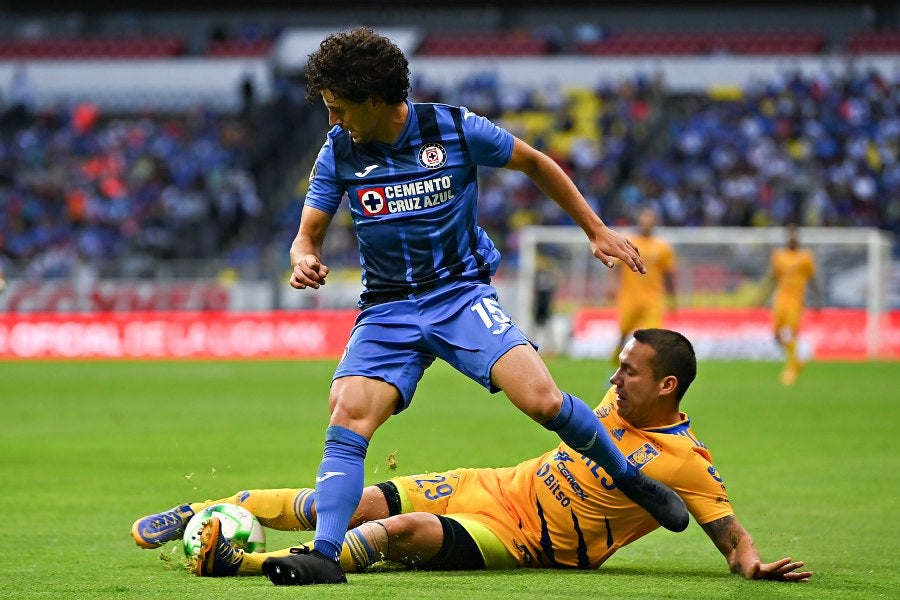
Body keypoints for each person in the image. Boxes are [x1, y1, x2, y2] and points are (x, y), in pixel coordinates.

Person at [130, 27, 689, 585]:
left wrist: (595, 230)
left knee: (543, 401)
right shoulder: (339, 152)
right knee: (347, 414)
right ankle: (326, 555)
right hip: (388, 308)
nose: (333, 121)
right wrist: (303, 257)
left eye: (338, 108)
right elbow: (308, 235)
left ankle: (629, 478)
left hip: (460, 295)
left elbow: (536, 163)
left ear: (374, 100)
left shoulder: (454, 127)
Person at [130, 329, 811, 584]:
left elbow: (728, 533)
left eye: (628, 372)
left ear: (667, 385)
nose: (612, 380)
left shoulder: (685, 460)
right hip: (489, 483)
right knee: (355, 499)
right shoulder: (609, 411)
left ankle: (241, 562)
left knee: (402, 533)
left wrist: (750, 563)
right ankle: (200, 509)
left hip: (521, 539)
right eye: (615, 368)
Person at [610, 207, 677, 363]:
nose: (647, 221)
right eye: (644, 217)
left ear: (655, 222)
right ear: (639, 220)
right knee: (623, 334)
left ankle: (651, 370)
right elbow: (616, 266)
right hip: (629, 297)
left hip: (653, 299)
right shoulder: (629, 241)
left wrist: (672, 297)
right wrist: (612, 285)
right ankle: (615, 366)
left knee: (655, 337)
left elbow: (668, 274)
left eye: (650, 218)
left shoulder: (662, 247)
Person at [758, 224, 821, 385]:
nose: (792, 237)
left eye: (794, 235)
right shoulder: (779, 256)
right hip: (780, 298)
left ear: (798, 237)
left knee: (790, 333)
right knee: (777, 336)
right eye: (789, 234)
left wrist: (818, 299)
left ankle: (792, 368)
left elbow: (812, 279)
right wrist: (763, 298)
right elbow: (773, 278)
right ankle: (797, 360)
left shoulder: (805, 257)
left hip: (796, 299)